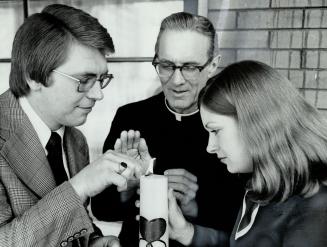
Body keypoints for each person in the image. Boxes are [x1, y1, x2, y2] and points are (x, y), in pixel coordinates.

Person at [92, 12, 246, 246]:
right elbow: (102, 210)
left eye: (190, 67)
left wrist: (195, 207)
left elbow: (249, 225)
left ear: (213, 65)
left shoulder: (234, 123)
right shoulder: (130, 116)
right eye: (166, 65)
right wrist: (127, 186)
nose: (176, 81)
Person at [0, 4, 146, 247]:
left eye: (101, 79)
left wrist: (94, 241)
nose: (98, 94)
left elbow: (72, 221)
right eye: (84, 80)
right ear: (33, 76)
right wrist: (79, 186)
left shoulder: (75, 140)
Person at [168, 60, 327, 246]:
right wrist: (186, 233)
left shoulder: (317, 208)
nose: (210, 147)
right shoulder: (264, 183)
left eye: (216, 131)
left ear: (255, 124)